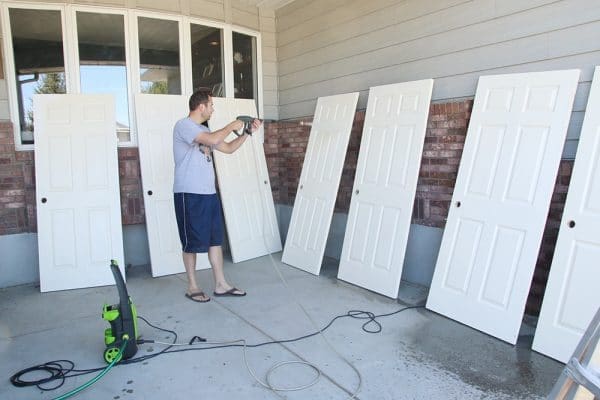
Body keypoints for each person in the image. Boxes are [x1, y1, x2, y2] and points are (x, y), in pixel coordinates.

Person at [173, 87, 261, 303]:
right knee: (191, 242)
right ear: (201, 106)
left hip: (209, 194)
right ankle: (193, 286)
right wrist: (232, 125)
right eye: (211, 105)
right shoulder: (184, 126)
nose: (213, 109)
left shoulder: (205, 130)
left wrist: (247, 133)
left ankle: (221, 284)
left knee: (215, 240)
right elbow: (212, 140)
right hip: (189, 194)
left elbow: (229, 148)